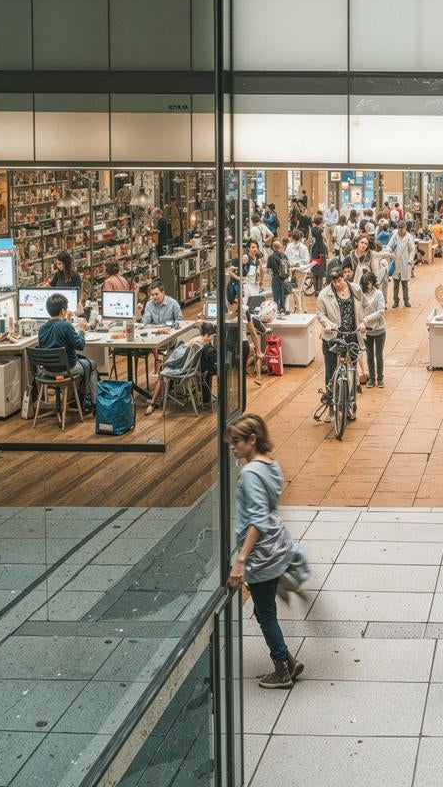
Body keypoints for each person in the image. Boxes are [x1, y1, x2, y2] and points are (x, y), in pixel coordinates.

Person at [225, 414, 306, 690]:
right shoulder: (271, 465)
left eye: (237, 442)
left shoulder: (249, 473)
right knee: (265, 611)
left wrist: (240, 560)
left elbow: (257, 520)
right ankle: (287, 658)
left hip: (261, 556)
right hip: (277, 549)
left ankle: (281, 669)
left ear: (252, 440)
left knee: (265, 613)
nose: (233, 447)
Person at [37, 292, 94, 413]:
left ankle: (71, 399)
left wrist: (67, 321)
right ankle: (94, 403)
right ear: (63, 311)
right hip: (67, 369)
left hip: (47, 371)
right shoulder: (65, 327)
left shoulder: (42, 328)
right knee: (91, 364)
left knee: (79, 362)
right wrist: (82, 331)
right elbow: (80, 345)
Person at [144, 321, 216, 414]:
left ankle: (154, 401)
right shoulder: (202, 344)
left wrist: (167, 363)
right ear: (207, 335)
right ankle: (157, 398)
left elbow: (179, 358)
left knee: (162, 370)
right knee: (164, 368)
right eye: (212, 335)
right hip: (187, 366)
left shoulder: (195, 341)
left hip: (183, 367)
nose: (212, 337)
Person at [316, 268, 366, 396]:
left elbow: (365, 306)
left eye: (339, 280)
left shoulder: (355, 289)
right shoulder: (323, 294)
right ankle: (331, 400)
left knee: (352, 369)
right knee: (331, 371)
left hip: (352, 335)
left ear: (344, 276)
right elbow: (320, 314)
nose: (337, 284)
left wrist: (363, 321)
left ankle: (351, 402)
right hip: (333, 336)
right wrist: (328, 325)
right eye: (334, 282)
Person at [360, 271, 387, 388]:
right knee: (369, 355)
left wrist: (367, 319)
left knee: (379, 355)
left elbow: (381, 311)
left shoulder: (379, 294)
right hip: (367, 330)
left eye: (369, 283)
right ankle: (371, 378)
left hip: (379, 329)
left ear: (372, 282)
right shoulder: (362, 294)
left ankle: (380, 378)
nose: (367, 286)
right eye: (365, 284)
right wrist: (363, 322)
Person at [387, 222, 417, 308]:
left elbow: (412, 250)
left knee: (405, 284)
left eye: (402, 229)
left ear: (405, 228)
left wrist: (410, 259)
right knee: (395, 284)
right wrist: (388, 251)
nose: (400, 231)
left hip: (405, 263)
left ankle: (406, 300)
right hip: (396, 262)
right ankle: (396, 301)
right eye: (399, 229)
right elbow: (389, 245)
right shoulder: (395, 235)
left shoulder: (409, 237)